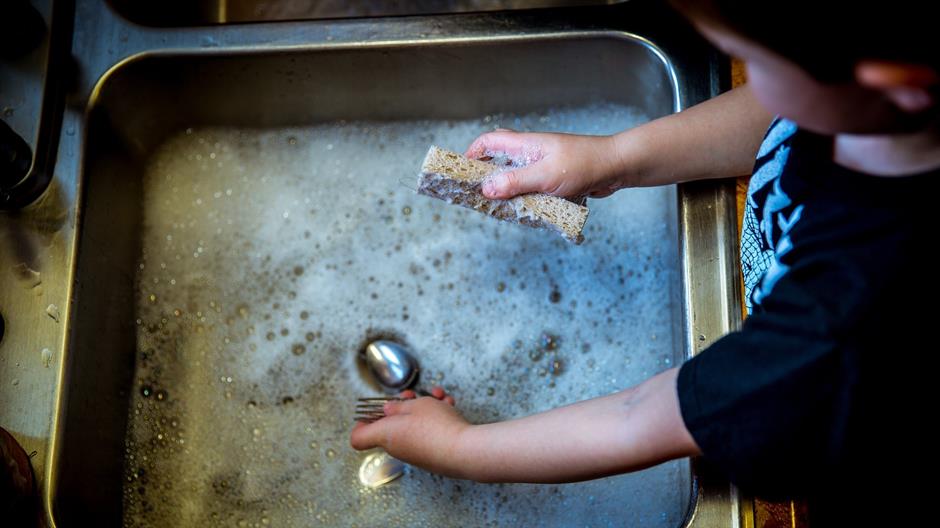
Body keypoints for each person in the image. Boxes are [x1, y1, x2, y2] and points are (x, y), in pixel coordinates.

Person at [352, 1, 940, 524]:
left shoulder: (843, 329)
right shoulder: (873, 109)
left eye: (753, 61)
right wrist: (613, 159)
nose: (749, 81)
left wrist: (460, 451)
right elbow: (777, 116)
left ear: (896, 80)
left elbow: (642, 418)